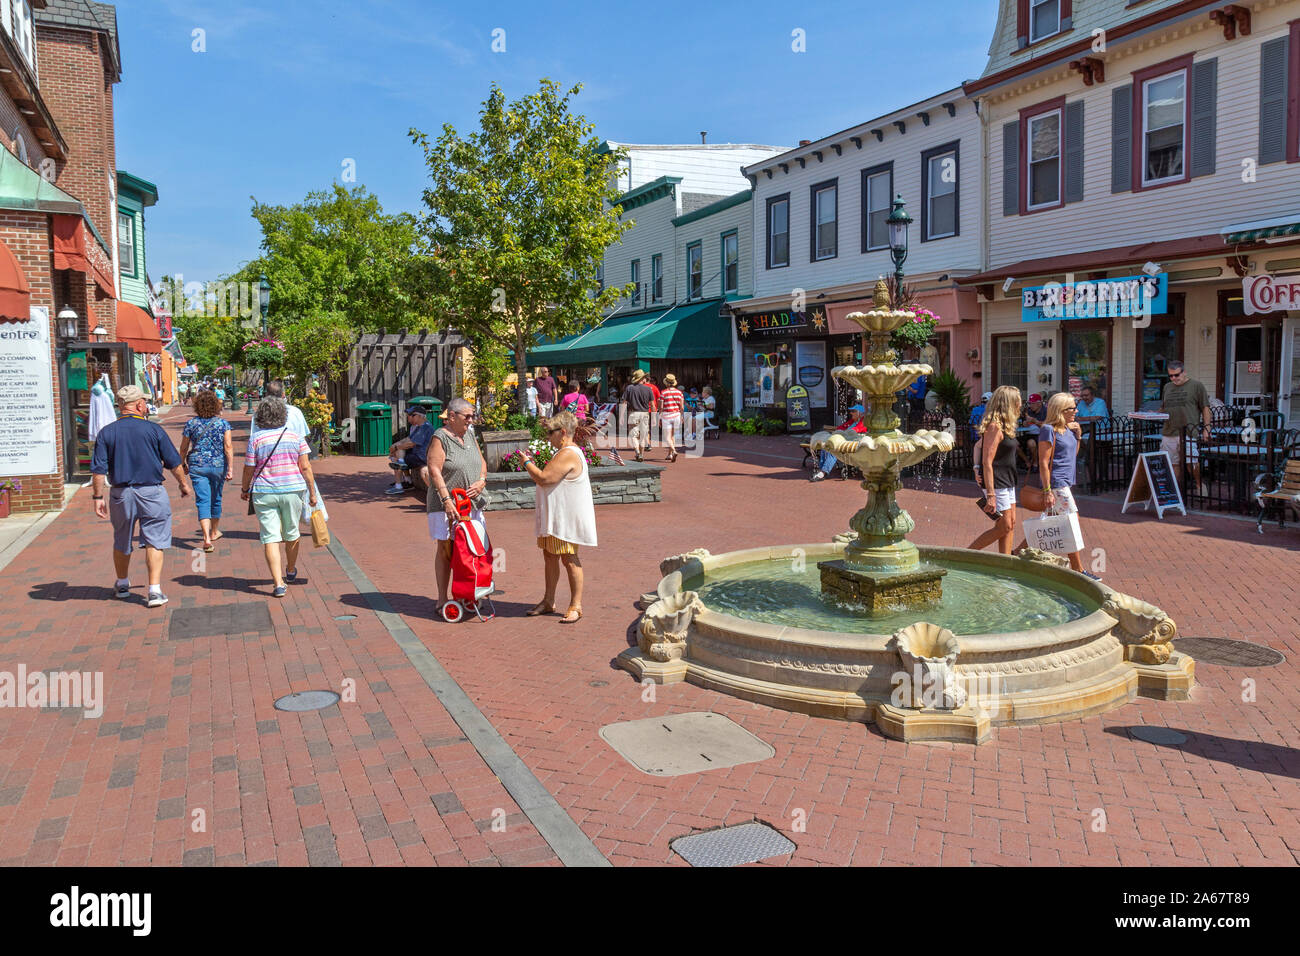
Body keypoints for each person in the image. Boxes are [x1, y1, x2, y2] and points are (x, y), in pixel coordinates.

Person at [91, 386, 190, 608]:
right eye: (144, 402)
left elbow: (98, 470)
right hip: (151, 491)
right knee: (155, 539)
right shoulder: (153, 430)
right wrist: (183, 484)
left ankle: (123, 583)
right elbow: (173, 463)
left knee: (122, 538)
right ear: (138, 405)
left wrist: (98, 497)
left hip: (121, 493)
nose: (146, 405)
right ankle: (154, 590)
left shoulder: (107, 432)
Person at [524, 411, 597, 624]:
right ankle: (548, 601)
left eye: (550, 432)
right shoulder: (564, 452)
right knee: (550, 555)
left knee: (569, 559)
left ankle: (576, 605)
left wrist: (527, 462)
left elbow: (544, 478)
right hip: (555, 518)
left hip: (564, 520)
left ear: (563, 432)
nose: (548, 436)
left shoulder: (568, 453)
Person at [242, 397, 316, 598]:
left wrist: (244, 488)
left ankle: (278, 583)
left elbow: (249, 468)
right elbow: (306, 467)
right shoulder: (295, 437)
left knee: (270, 536)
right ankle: (290, 570)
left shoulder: (256, 439)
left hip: (264, 491)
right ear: (283, 415)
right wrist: (312, 492)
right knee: (292, 532)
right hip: (292, 489)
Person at [1019, 393, 1099, 578]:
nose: (1076, 411)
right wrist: (1047, 490)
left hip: (1066, 481)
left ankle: (1017, 552)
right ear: (1060, 410)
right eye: (1072, 408)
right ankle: (1078, 569)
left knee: (1047, 523)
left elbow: (1072, 454)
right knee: (1071, 522)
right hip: (1056, 484)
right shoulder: (1048, 430)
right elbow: (1044, 462)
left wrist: (1078, 436)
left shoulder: (1068, 429)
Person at [422, 397, 488, 607]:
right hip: (447, 506)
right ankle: (442, 598)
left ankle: (466, 593)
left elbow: (482, 462)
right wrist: (446, 500)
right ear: (452, 416)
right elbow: (434, 470)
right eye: (467, 416)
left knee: (468, 550)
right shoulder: (440, 437)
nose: (471, 420)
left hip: (471, 505)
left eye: (472, 416)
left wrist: (481, 482)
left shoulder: (470, 435)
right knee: (446, 550)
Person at [967, 385, 1022, 556]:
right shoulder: (994, 426)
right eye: (1018, 400)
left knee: (1010, 523)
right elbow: (987, 461)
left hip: (1008, 480)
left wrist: (975, 468)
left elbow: (978, 446)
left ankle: (1005, 565)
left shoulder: (1006, 426)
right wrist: (990, 494)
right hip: (996, 482)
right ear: (1008, 403)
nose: (1021, 404)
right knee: (1003, 525)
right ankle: (966, 555)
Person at [179, 389, 233, 554]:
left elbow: (183, 448)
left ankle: (206, 538)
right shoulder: (223, 424)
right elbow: (228, 447)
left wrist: (182, 464)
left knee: (202, 501)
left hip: (197, 465)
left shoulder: (191, 424)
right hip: (218, 465)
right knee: (216, 499)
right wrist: (230, 468)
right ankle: (214, 532)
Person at [1159, 360, 1210, 497]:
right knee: (1173, 463)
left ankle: (1199, 485)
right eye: (1171, 376)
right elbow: (1164, 407)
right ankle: (1176, 490)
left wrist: (1207, 428)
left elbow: (1205, 407)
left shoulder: (1196, 386)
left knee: (1191, 461)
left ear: (1184, 372)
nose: (1174, 378)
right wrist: (1154, 413)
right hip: (1169, 430)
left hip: (1188, 430)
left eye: (1176, 375)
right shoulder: (1167, 387)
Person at [386, 405, 435, 495]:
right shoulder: (419, 426)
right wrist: (394, 446)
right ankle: (408, 481)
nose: (408, 417)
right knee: (399, 453)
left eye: (410, 415)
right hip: (417, 454)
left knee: (397, 459)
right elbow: (408, 439)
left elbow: (411, 444)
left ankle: (398, 486)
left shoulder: (425, 427)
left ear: (419, 416)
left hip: (422, 457)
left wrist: (396, 448)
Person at [812, 404, 868, 481]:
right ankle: (821, 470)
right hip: (844, 441)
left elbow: (855, 430)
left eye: (853, 411)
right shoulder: (851, 421)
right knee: (825, 446)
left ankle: (823, 472)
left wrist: (842, 433)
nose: (851, 413)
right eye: (851, 411)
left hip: (852, 444)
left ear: (860, 413)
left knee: (833, 450)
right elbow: (840, 428)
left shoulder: (863, 421)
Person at [657, 373, 685, 462]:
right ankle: (670, 454)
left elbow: (661, 407)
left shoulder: (663, 392)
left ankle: (674, 451)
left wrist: (659, 417)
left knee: (667, 437)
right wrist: (682, 416)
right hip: (676, 415)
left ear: (666, 383)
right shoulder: (679, 392)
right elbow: (682, 407)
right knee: (672, 435)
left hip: (667, 415)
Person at [1022, 392, 1047, 469]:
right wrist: (1024, 423)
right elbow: (1023, 422)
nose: (1031, 405)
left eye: (1033, 403)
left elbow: (1047, 426)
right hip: (1029, 434)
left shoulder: (1046, 411)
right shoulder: (1028, 411)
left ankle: (1036, 463)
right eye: (1030, 403)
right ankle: (1027, 462)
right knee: (1014, 443)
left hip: (1042, 435)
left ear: (1039, 403)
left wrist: (1035, 421)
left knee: (1031, 443)